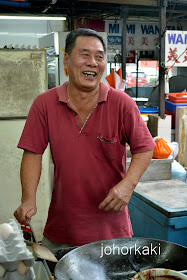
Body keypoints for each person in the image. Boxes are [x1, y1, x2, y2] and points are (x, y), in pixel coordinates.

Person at [14, 28, 155, 250]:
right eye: (85, 54)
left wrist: (128, 185)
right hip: (62, 227)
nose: (93, 62)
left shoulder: (122, 103)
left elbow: (146, 147)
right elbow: (33, 152)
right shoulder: (45, 104)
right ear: (67, 60)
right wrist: (28, 199)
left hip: (112, 230)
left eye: (99, 56)